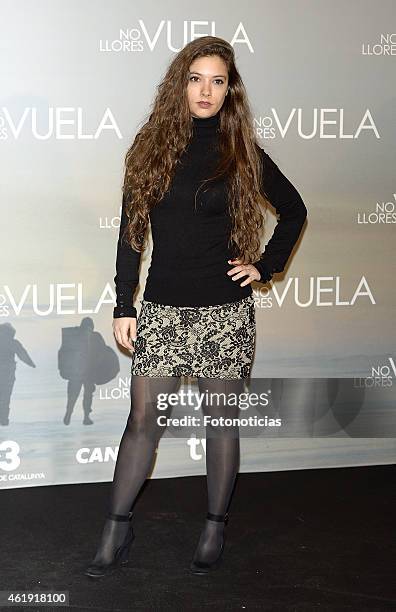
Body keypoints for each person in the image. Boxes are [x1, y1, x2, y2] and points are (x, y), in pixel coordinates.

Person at [85, 35, 307, 578]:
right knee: (142, 422)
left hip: (225, 312)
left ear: (230, 91)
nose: (206, 90)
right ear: (179, 83)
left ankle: (214, 526)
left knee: (221, 421)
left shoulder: (241, 151)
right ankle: (117, 526)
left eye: (218, 81)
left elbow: (294, 209)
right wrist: (123, 302)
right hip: (162, 308)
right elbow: (131, 232)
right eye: (196, 78)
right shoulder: (151, 145)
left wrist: (265, 265)